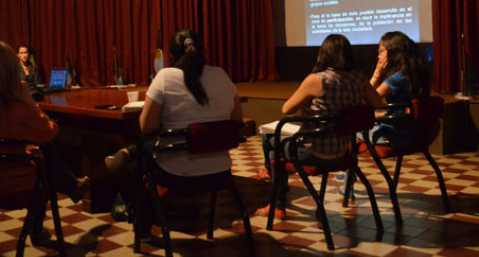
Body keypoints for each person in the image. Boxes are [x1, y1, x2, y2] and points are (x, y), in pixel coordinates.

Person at [0, 41, 88, 246]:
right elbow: (50, 131)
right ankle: (39, 224)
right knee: (43, 158)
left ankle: (71, 187)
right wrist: (27, 100)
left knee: (38, 151)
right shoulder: (16, 109)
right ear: (10, 70)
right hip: (15, 183)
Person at [107, 29, 243, 234]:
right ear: (203, 51)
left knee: (138, 162)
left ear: (171, 56)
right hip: (220, 171)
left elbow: (146, 127)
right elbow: (237, 120)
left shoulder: (165, 77)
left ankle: (142, 226)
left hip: (175, 175)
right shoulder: (221, 75)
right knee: (148, 151)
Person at [255, 34, 380, 219]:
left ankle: (278, 203)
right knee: (277, 149)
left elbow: (287, 109)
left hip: (314, 153)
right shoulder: (359, 79)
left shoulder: (317, 80)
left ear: (324, 54)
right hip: (344, 152)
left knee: (271, 144)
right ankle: (276, 178)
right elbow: (378, 103)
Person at [368, 31, 430, 147]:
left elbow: (367, 99)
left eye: (381, 52)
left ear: (393, 52)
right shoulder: (415, 74)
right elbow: (401, 111)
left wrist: (376, 74)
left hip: (392, 136)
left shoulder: (397, 78)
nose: (378, 56)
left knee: (348, 131)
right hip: (412, 134)